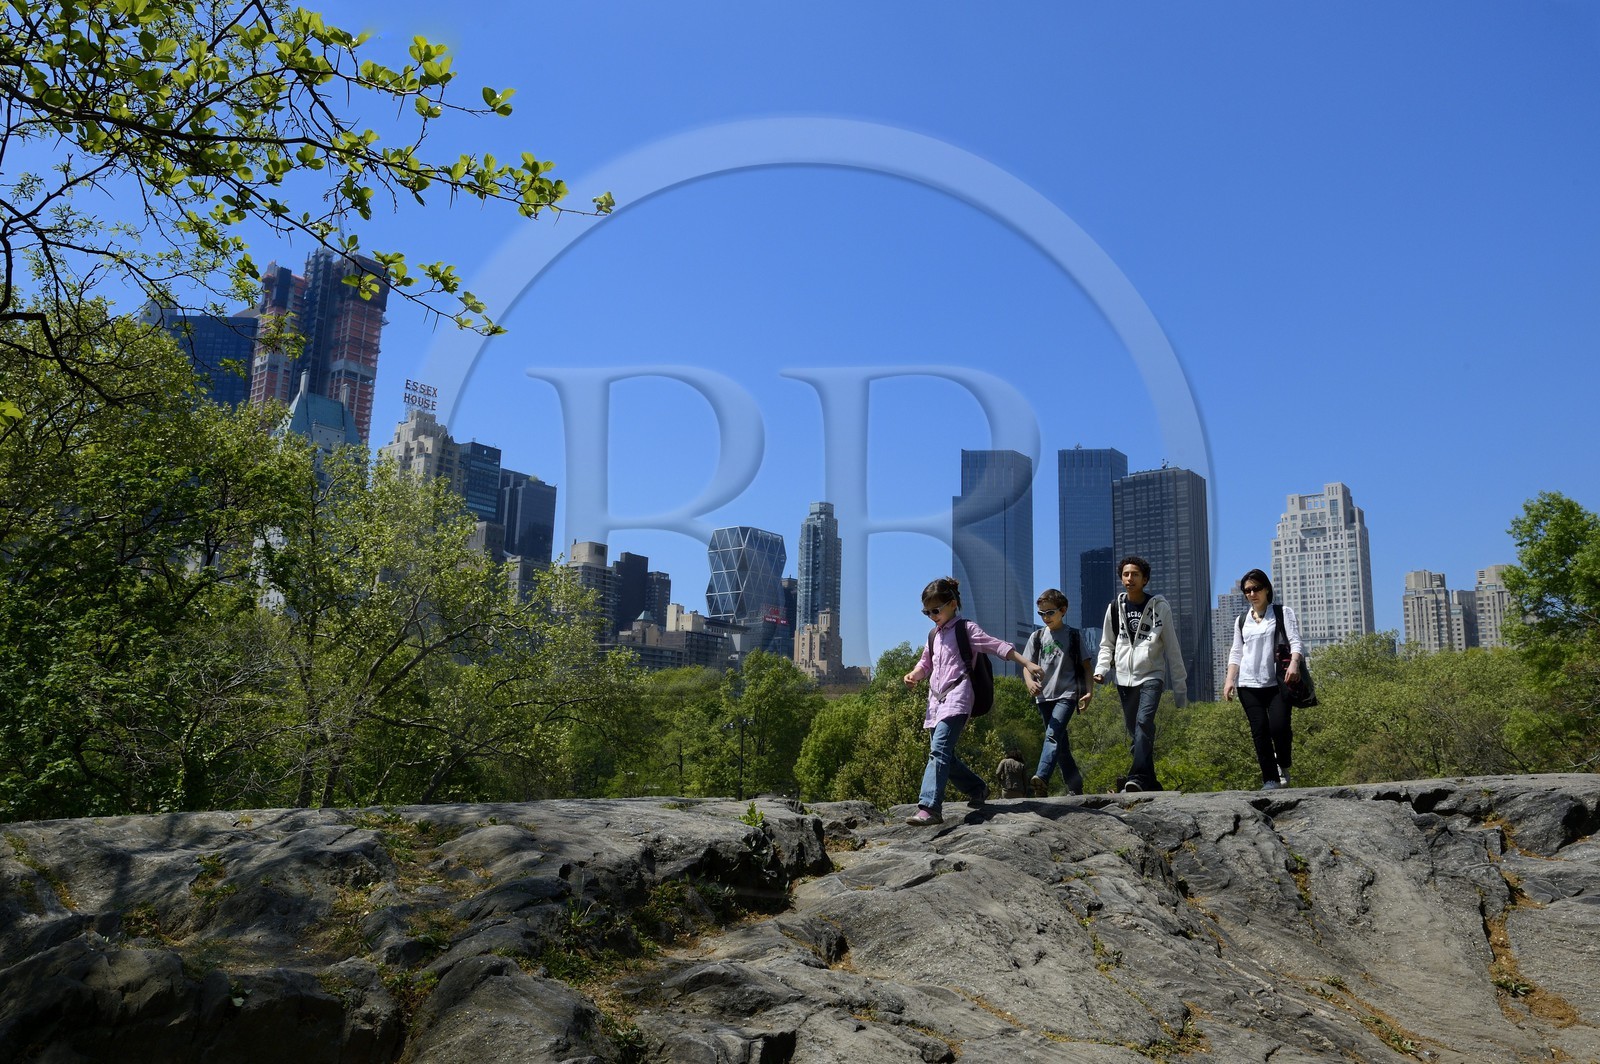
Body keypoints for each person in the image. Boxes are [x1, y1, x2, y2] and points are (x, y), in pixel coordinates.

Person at [902, 576, 1043, 826]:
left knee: (939, 751)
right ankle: (977, 788)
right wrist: (914, 675)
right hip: (935, 702)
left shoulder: (965, 629)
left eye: (936, 609)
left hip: (958, 697)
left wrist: (1028, 663)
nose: (932, 615)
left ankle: (929, 807)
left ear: (953, 603)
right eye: (927, 612)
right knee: (945, 755)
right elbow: (926, 663)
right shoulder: (933, 635)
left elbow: (997, 646)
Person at [1093, 556, 1188, 793]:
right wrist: (1101, 669)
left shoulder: (1160, 608)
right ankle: (1150, 782)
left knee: (1144, 723)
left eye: (1135, 574)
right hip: (1123, 677)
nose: (1129, 578)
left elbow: (1172, 648)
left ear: (1145, 579)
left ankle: (1134, 777)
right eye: (1126, 574)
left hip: (1152, 675)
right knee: (1137, 734)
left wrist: (1180, 690)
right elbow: (1107, 644)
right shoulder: (1114, 608)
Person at [1222, 568, 1305, 790]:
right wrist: (1230, 680)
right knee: (1259, 732)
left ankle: (1283, 762)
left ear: (1266, 588)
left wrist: (1295, 664)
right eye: (1247, 590)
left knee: (1278, 728)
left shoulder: (1281, 612)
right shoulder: (1241, 620)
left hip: (1277, 682)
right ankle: (1270, 778)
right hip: (1248, 684)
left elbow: (1295, 641)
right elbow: (1236, 652)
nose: (1252, 594)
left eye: (1256, 588)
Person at [1020, 589, 1094, 796]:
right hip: (1043, 696)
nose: (1045, 618)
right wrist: (1029, 683)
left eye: (1050, 613)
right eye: (1041, 614)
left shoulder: (1074, 635)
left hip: (1067, 694)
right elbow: (1026, 665)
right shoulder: (1037, 637)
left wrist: (1089, 692)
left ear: (1063, 610)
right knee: (1060, 745)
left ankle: (1041, 776)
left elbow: (1087, 667)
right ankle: (1075, 785)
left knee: (1052, 735)